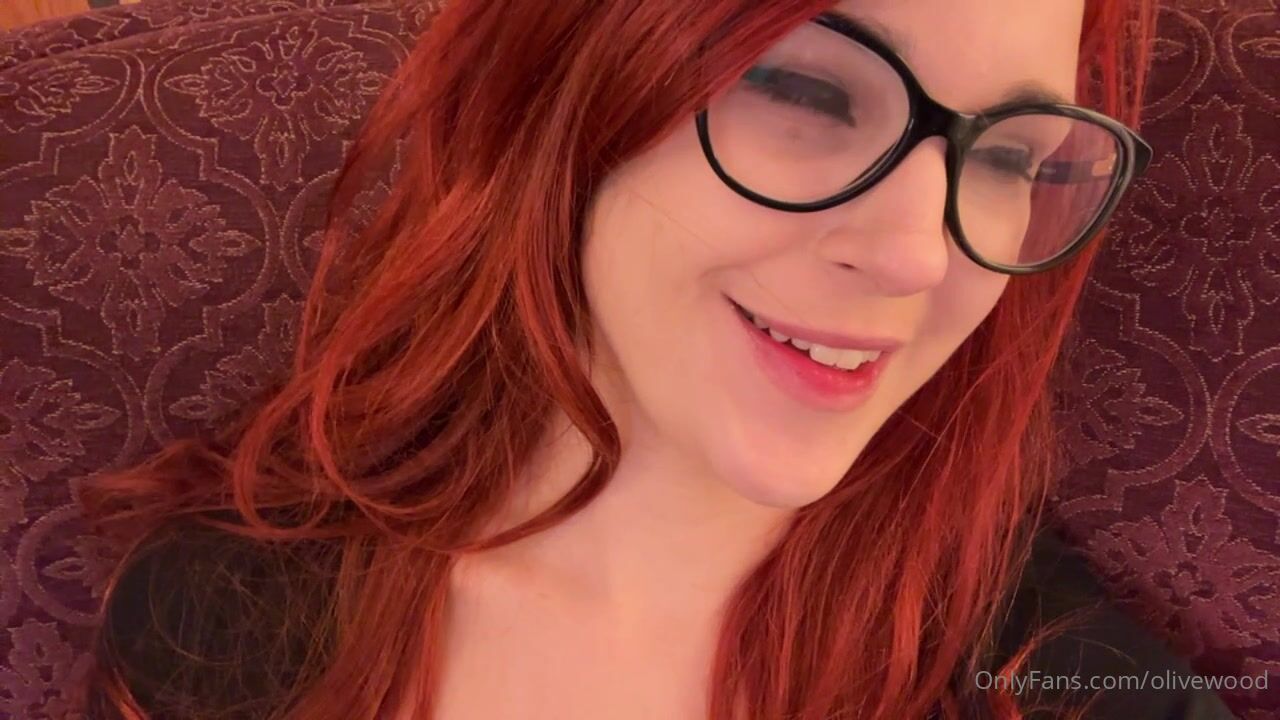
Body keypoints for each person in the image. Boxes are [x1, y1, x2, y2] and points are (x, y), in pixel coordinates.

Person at [78, 0, 1237, 718]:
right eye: (804, 88)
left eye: (1009, 158)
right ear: (559, 78)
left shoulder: (1063, 682)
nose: (915, 255)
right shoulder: (221, 615)